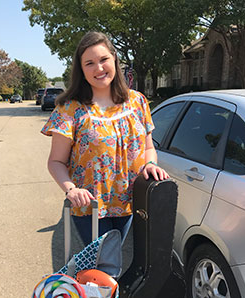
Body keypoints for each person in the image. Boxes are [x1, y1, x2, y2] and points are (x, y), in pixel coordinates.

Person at [41, 31, 169, 246]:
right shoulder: (70, 109)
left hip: (128, 202)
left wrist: (150, 164)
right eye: (89, 63)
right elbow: (56, 161)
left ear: (114, 59)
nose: (99, 68)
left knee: (112, 262)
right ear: (81, 70)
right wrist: (71, 189)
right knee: (103, 270)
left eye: (103, 60)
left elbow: (148, 147)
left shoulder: (137, 102)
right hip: (90, 207)